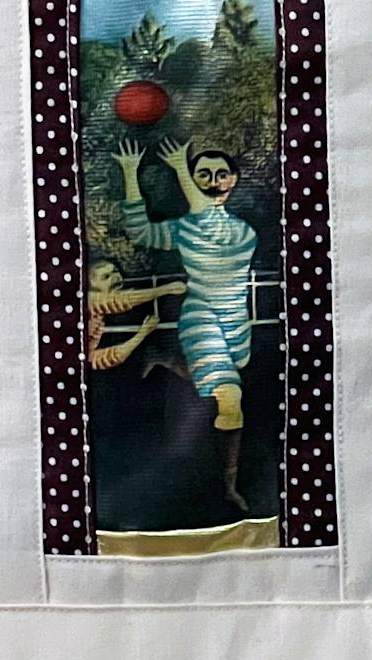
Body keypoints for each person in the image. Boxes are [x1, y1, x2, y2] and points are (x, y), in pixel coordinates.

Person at [113, 138, 257, 512]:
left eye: (221, 173)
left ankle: (166, 361)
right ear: (192, 180)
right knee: (230, 398)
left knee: (226, 375)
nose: (213, 181)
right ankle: (228, 487)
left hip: (235, 320)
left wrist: (183, 170)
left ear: (234, 179)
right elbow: (141, 232)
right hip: (201, 317)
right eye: (202, 174)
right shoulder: (185, 228)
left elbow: (211, 224)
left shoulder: (243, 232)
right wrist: (130, 173)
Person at [86, 261, 187, 371]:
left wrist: (143, 333)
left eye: (115, 271)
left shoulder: (97, 316)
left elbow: (110, 357)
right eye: (106, 277)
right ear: (91, 287)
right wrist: (165, 289)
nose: (115, 277)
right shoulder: (87, 300)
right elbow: (117, 300)